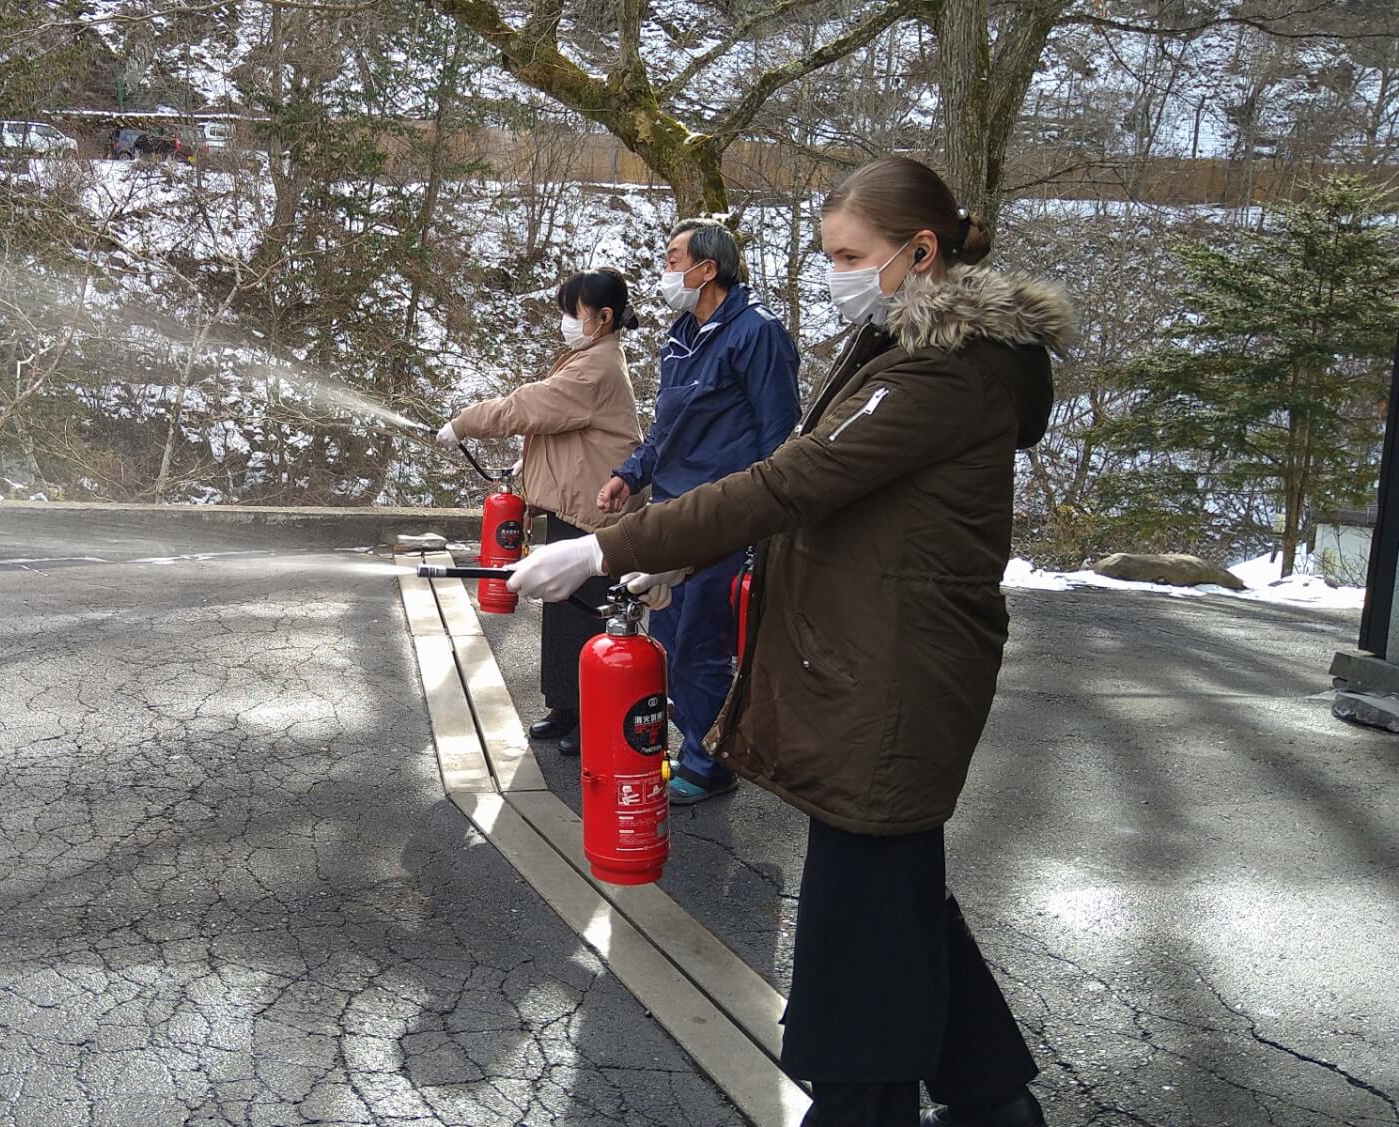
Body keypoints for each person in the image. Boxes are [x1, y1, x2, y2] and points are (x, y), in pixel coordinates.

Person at [508, 156, 1069, 1127]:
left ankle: (862, 1105)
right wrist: (674, 562)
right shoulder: (910, 347)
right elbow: (826, 500)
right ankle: (987, 1094)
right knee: (895, 891)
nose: (835, 271)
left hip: (897, 674)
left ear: (920, 250)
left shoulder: (944, 368)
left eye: (851, 254)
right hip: (880, 661)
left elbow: (785, 481)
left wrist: (606, 547)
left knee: (863, 909)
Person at [596, 217, 799, 805]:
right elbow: (666, 428)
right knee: (669, 636)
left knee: (705, 643)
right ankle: (700, 744)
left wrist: (765, 520)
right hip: (673, 514)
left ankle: (707, 762)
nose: (665, 271)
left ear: (707, 269)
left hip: (726, 517)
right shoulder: (680, 336)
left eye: (673, 258)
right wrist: (629, 474)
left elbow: (778, 434)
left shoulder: (756, 334)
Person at [438, 268, 646, 753]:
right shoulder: (591, 355)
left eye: (573, 314)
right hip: (578, 502)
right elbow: (566, 429)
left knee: (585, 615)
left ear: (603, 317)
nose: (566, 323)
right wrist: (529, 460)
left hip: (596, 510)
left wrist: (464, 424)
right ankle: (565, 707)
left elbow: (529, 406)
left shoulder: (596, 366)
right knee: (563, 613)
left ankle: (587, 716)